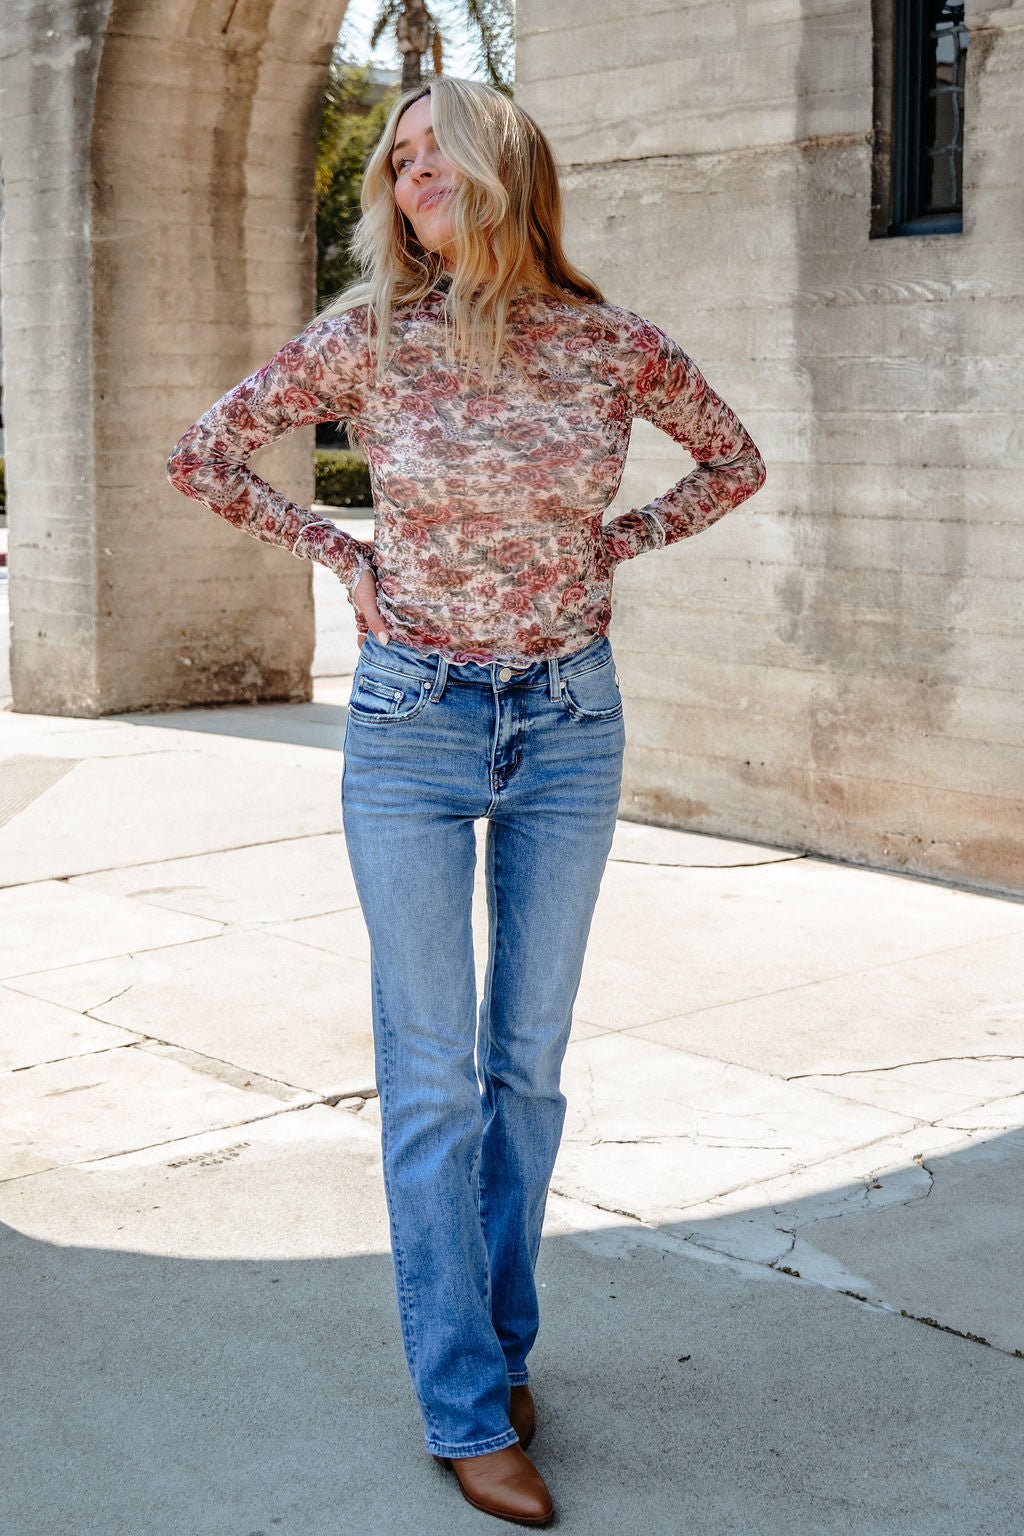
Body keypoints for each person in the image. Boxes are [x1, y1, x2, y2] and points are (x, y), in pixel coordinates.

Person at [166, 75, 766, 1528]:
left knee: (529, 1071)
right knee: (433, 1079)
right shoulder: (368, 341)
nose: (408, 173)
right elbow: (202, 453)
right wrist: (341, 552)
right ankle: (462, 1401)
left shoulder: (609, 342)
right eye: (398, 158)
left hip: (568, 723)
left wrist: (610, 546)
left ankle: (498, 1345)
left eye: (434, 150)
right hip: (411, 726)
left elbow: (735, 463)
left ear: (504, 168)